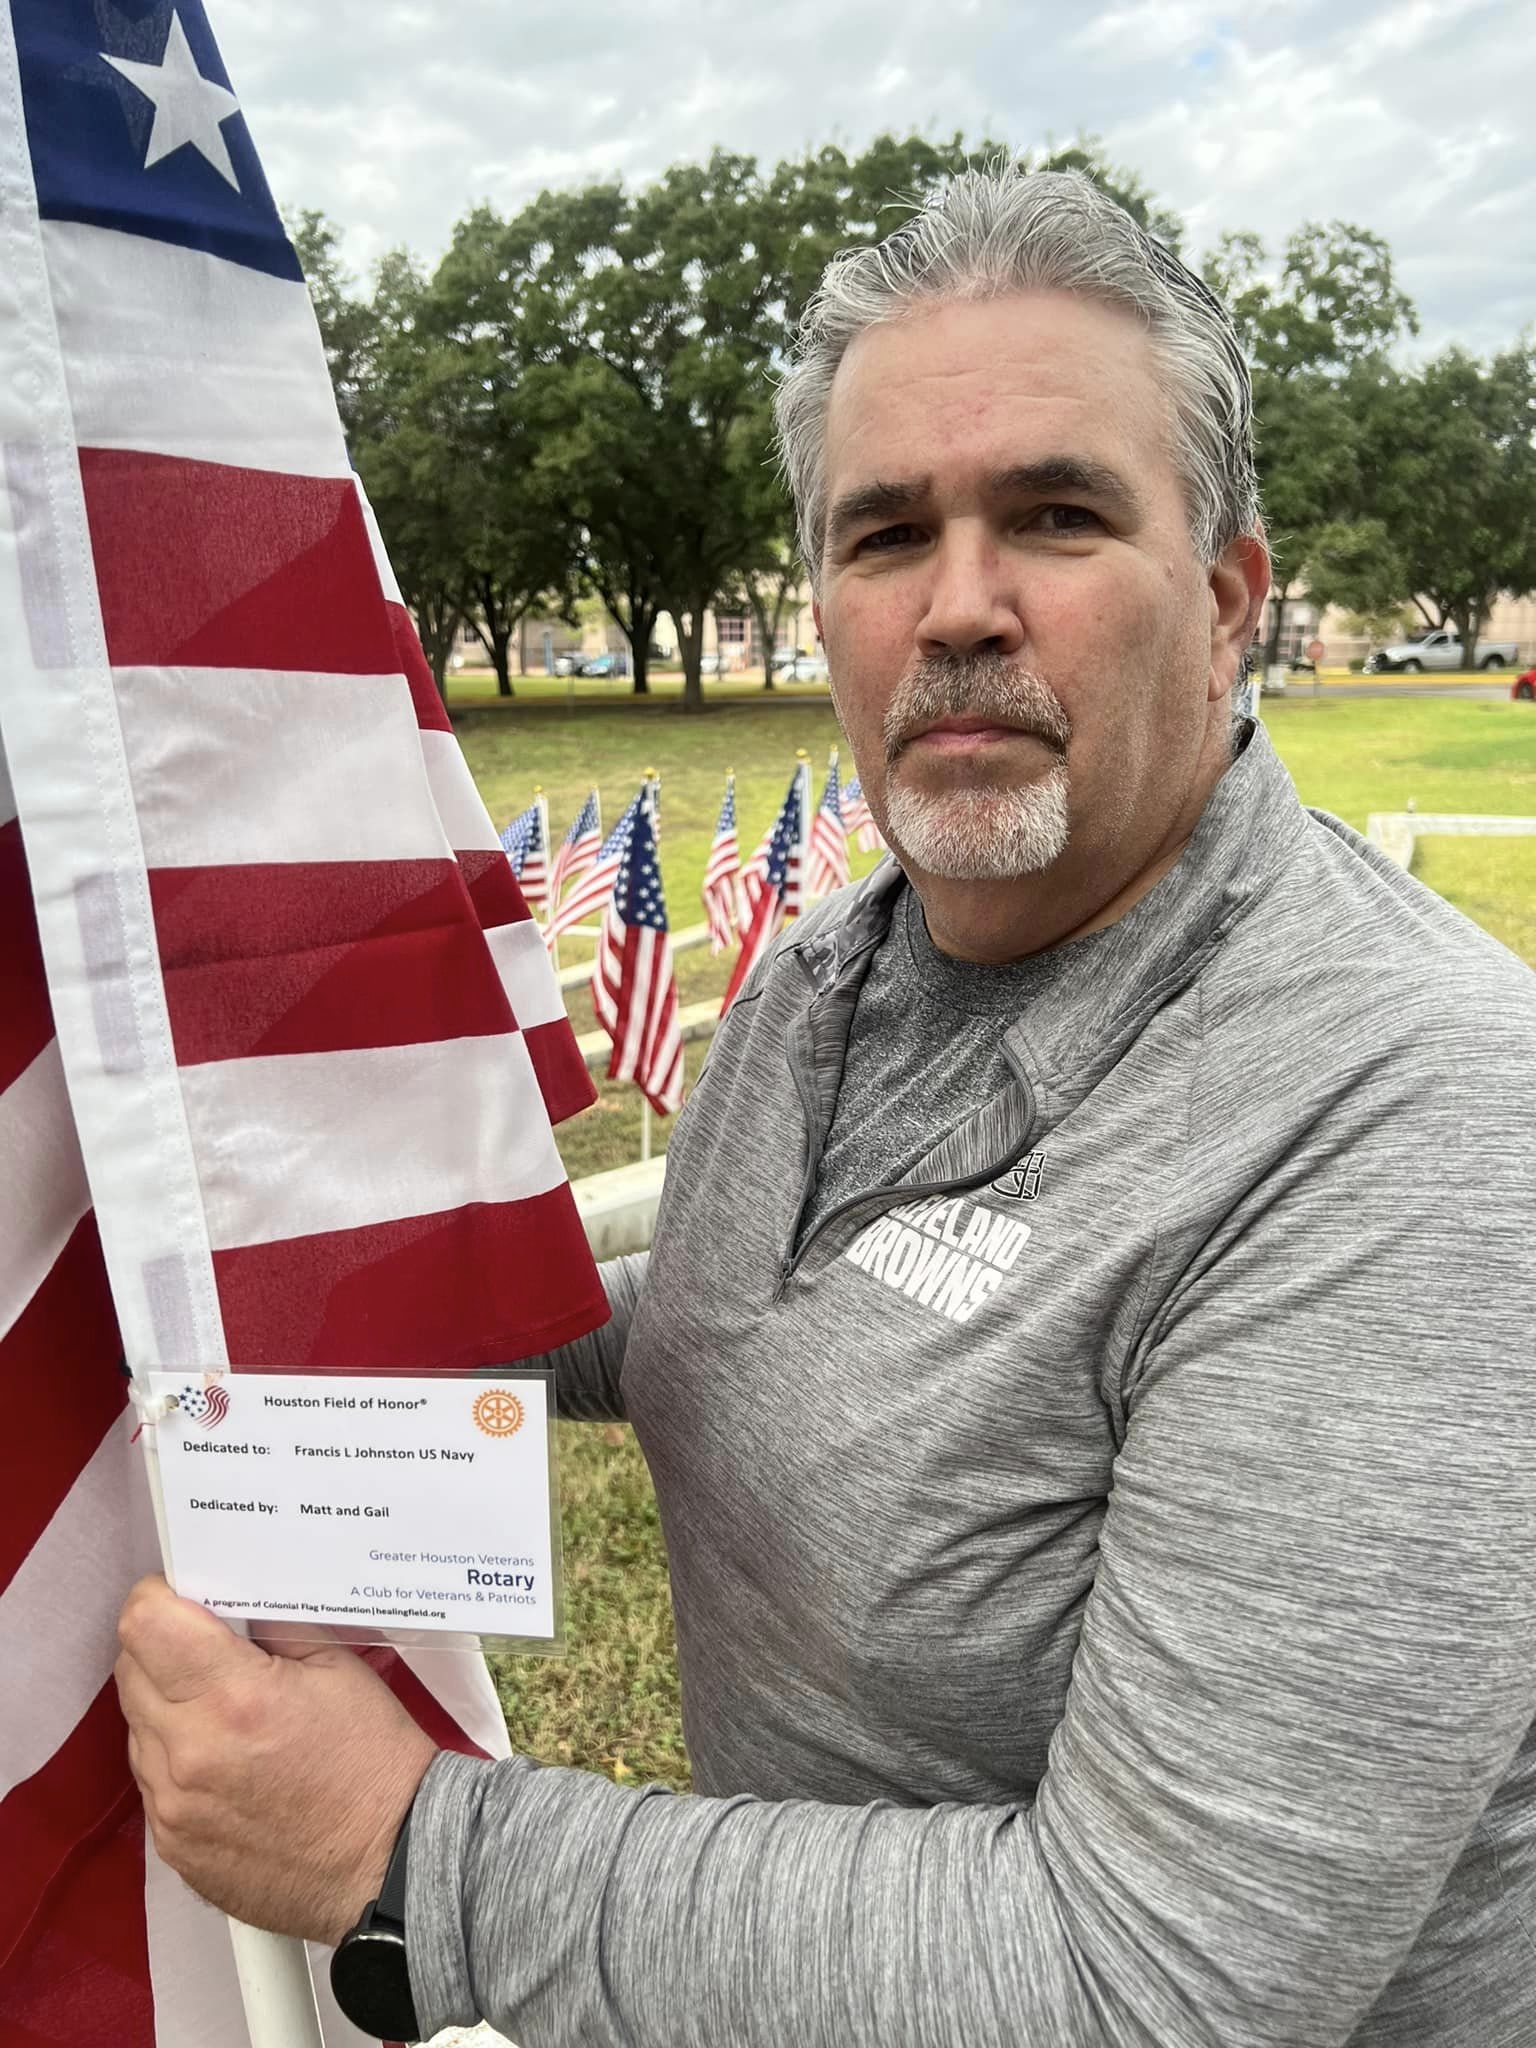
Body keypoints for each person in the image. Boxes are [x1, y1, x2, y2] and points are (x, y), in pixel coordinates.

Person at [115, 168, 1536, 2047]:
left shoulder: (1416, 1123)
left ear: (1226, 598)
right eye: (886, 536)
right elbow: (731, 1311)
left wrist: (408, 1853)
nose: (960, 609)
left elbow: (1153, 1986)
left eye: (1055, 513)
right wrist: (332, 1302)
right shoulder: (838, 965)